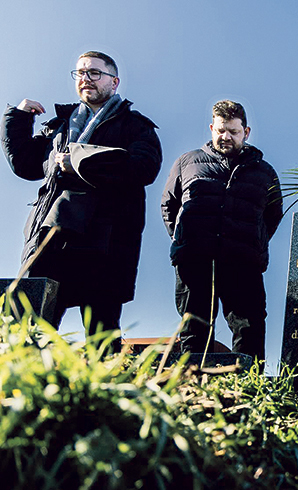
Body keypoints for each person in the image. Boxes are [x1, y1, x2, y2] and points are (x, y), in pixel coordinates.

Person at [1, 51, 162, 349]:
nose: (86, 78)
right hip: (53, 234)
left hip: (105, 240)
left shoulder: (134, 125)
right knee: (32, 329)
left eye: (94, 73)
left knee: (102, 336)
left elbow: (144, 167)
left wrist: (78, 160)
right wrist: (18, 118)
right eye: (80, 73)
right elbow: (25, 164)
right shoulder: (60, 126)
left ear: (114, 82)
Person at [161, 100, 282, 361]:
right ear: (211, 129)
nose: (226, 136)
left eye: (233, 132)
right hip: (194, 259)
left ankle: (249, 384)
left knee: (249, 328)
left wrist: (252, 242)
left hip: (243, 262)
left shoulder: (265, 172)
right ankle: (192, 384)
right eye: (220, 130)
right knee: (194, 328)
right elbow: (169, 205)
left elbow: (272, 215)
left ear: (245, 132)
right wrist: (183, 239)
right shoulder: (187, 161)